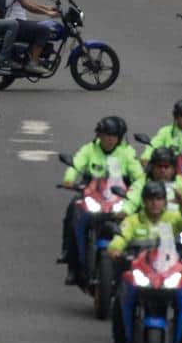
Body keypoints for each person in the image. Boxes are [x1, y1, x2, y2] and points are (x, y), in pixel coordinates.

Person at [104, 179, 182, 343]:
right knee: (120, 298)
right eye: (150, 199)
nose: (154, 203)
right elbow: (120, 238)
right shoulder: (133, 221)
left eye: (158, 199)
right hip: (142, 271)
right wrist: (115, 249)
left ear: (165, 201)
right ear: (143, 201)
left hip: (167, 272)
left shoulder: (172, 219)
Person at [60, 116, 145, 285]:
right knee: (73, 210)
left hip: (119, 199)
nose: (109, 139)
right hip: (92, 196)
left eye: (113, 135)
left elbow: (139, 176)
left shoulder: (127, 153)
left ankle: (138, 263)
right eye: (106, 134)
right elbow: (76, 164)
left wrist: (139, 189)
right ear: (99, 135)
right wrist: (69, 179)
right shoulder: (89, 150)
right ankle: (70, 260)